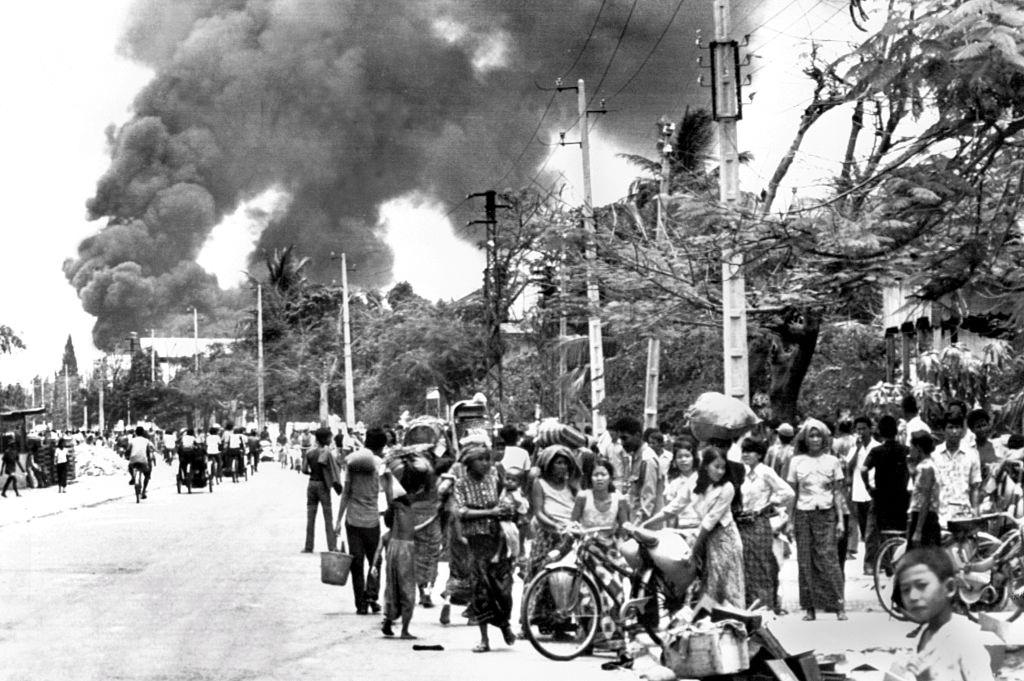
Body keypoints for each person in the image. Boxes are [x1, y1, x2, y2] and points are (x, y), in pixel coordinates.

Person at [644, 446, 745, 608]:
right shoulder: (694, 481)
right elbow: (674, 507)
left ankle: (733, 627)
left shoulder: (727, 487)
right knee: (707, 585)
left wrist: (694, 549)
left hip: (725, 539)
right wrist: (647, 524)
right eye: (716, 467)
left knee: (726, 588)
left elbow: (710, 521)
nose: (720, 472)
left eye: (723, 468)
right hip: (706, 538)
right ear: (705, 466)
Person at [888, 547, 995, 681]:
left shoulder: (964, 641)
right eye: (905, 590)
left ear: (949, 587)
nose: (913, 596)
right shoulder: (920, 637)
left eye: (922, 585)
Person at [453, 443, 518, 653]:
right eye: (480, 459)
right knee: (482, 589)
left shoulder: (494, 478)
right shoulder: (461, 484)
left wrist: (508, 509)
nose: (485, 463)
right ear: (469, 463)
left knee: (503, 588)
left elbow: (506, 500)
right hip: (477, 542)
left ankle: (504, 623)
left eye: (486, 459)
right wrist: (490, 512)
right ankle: (484, 638)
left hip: (498, 539)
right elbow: (461, 512)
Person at [787, 418, 847, 621]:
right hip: (803, 514)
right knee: (805, 561)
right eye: (811, 435)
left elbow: (838, 493)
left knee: (829, 558)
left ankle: (838, 604)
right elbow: (792, 493)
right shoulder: (796, 461)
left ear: (824, 438)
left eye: (818, 435)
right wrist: (789, 520)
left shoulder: (832, 461)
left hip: (826, 513)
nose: (814, 439)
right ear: (805, 438)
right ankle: (810, 607)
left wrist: (840, 520)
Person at [569, 459, 631, 653]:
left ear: (610, 477)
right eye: (596, 474)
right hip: (588, 550)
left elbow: (624, 527)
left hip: (610, 552)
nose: (600, 478)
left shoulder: (619, 498)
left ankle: (614, 639)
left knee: (615, 594)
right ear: (590, 478)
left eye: (603, 474)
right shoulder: (583, 496)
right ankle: (589, 638)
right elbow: (573, 523)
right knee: (587, 597)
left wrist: (623, 547)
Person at [736, 437, 793, 613]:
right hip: (741, 523)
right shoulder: (740, 472)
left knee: (761, 564)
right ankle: (749, 605)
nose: (746, 454)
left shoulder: (766, 472)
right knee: (745, 565)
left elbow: (788, 492)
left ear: (759, 454)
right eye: (744, 451)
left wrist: (770, 503)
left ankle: (765, 606)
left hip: (759, 523)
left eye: (750, 451)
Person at [335, 429, 385, 615]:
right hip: (372, 520)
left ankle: (360, 604)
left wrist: (338, 520)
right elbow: (385, 491)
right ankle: (372, 596)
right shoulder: (379, 464)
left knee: (356, 562)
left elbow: (345, 493)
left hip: (353, 520)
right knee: (375, 561)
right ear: (381, 447)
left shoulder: (353, 464)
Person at [380, 467, 428, 639]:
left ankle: (389, 618)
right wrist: (389, 478)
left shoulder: (398, 507)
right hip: (404, 550)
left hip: (395, 547)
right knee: (407, 590)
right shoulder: (401, 506)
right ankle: (404, 630)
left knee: (393, 587)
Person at [526, 444, 580, 582]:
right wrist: (555, 526)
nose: (563, 467)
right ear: (549, 465)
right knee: (542, 573)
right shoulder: (540, 483)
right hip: (548, 534)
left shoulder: (571, 485)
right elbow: (538, 512)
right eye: (559, 463)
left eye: (566, 463)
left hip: (570, 534)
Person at [861, 415, 910, 566]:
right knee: (900, 530)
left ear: (880, 432)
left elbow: (863, 469)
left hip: (881, 495)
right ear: (896, 432)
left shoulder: (876, 451)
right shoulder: (905, 450)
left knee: (876, 530)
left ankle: (876, 562)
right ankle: (898, 560)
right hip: (902, 496)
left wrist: (868, 487)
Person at [611, 416, 664, 527]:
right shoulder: (636, 457)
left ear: (638, 435)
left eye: (625, 438)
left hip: (647, 526)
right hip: (636, 520)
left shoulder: (647, 460)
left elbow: (648, 500)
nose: (623, 443)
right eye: (620, 439)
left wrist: (637, 527)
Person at [932, 412, 982, 523]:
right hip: (940, 515)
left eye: (957, 427)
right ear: (943, 430)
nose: (954, 431)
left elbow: (975, 488)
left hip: (964, 515)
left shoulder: (972, 454)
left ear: (962, 430)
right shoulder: (934, 455)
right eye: (950, 427)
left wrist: (976, 514)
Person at [302, 427, 342, 553]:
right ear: (325, 439)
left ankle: (309, 546)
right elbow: (335, 469)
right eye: (330, 437)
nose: (331, 440)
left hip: (311, 484)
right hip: (323, 486)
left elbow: (304, 470)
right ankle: (332, 546)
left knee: (310, 517)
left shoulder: (310, 452)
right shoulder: (328, 453)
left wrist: (312, 473)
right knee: (328, 517)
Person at [848, 416, 880, 573]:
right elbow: (849, 467)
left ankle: (871, 564)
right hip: (859, 493)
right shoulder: (855, 449)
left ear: (870, 429)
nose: (861, 432)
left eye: (863, 428)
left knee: (872, 531)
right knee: (864, 530)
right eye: (858, 429)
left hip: (874, 492)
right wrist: (858, 450)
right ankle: (873, 562)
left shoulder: (877, 447)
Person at [907, 432, 941, 548]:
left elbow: (925, 500)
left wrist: (918, 530)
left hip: (925, 520)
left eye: (911, 447)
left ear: (918, 448)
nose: (909, 450)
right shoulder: (927, 465)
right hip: (926, 517)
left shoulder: (925, 468)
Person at [127, 426, 155, 499]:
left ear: (135, 432)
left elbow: (128, 450)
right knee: (147, 474)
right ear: (143, 433)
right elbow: (149, 451)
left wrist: (127, 456)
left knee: (130, 467)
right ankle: (143, 491)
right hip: (143, 460)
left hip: (133, 460)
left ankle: (133, 477)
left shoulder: (132, 440)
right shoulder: (146, 441)